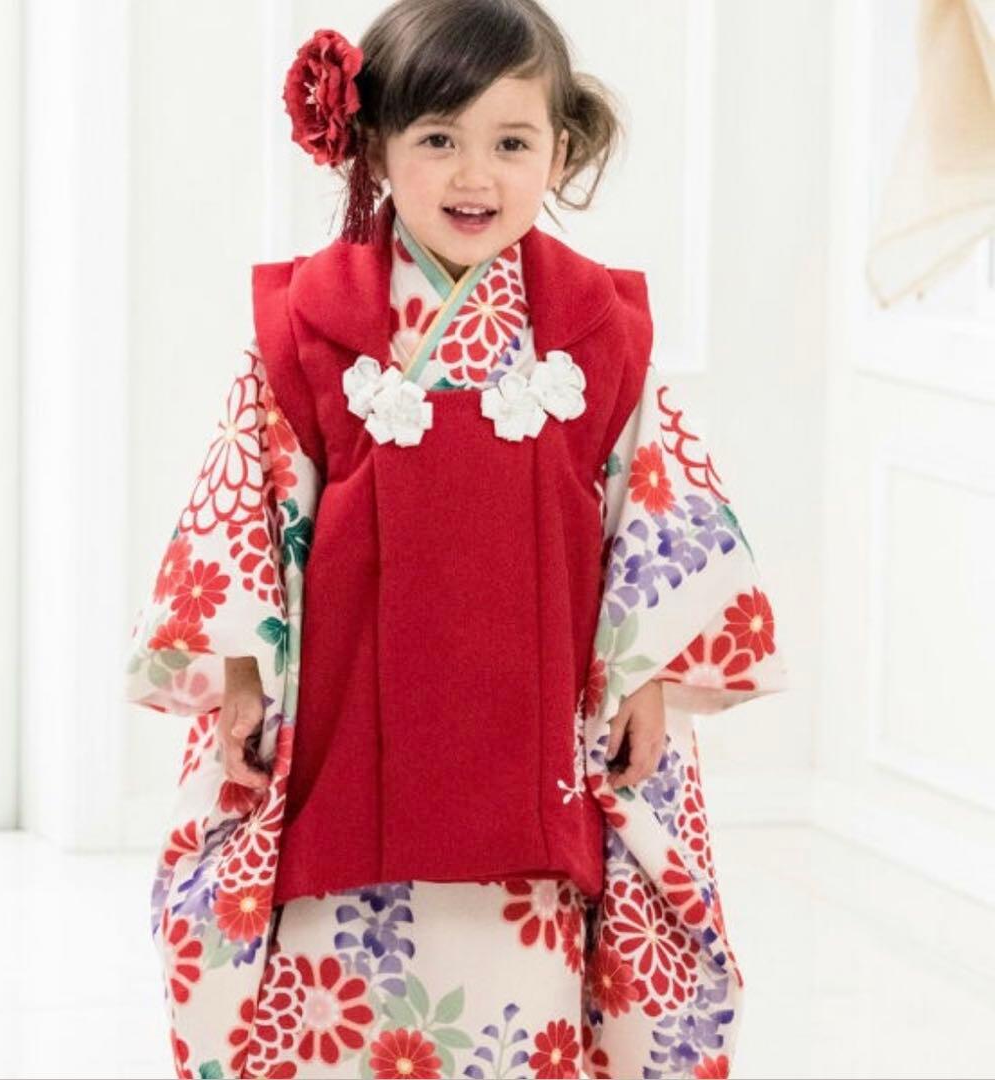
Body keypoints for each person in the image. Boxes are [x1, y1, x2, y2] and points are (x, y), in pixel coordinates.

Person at [123, 2, 789, 1077]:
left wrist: (649, 675)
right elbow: (252, 500)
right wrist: (242, 670)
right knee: (338, 961)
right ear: (376, 145)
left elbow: (654, 511)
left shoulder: (597, 330)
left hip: (536, 717)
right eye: (439, 137)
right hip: (343, 709)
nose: (475, 175)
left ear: (559, 151)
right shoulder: (311, 323)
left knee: (519, 976)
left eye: (511, 143)